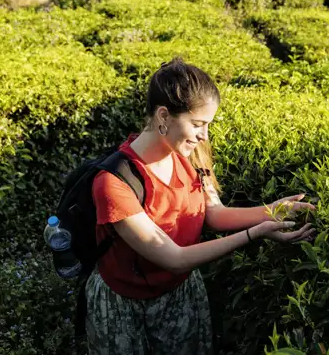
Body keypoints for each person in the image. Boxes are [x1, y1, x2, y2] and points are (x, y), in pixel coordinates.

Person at [86, 57, 315, 354]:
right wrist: (254, 233)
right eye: (197, 124)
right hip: (124, 307)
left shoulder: (191, 152)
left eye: (207, 124)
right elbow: (174, 258)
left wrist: (271, 211)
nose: (204, 135)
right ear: (164, 116)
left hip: (179, 292)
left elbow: (213, 214)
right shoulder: (114, 182)